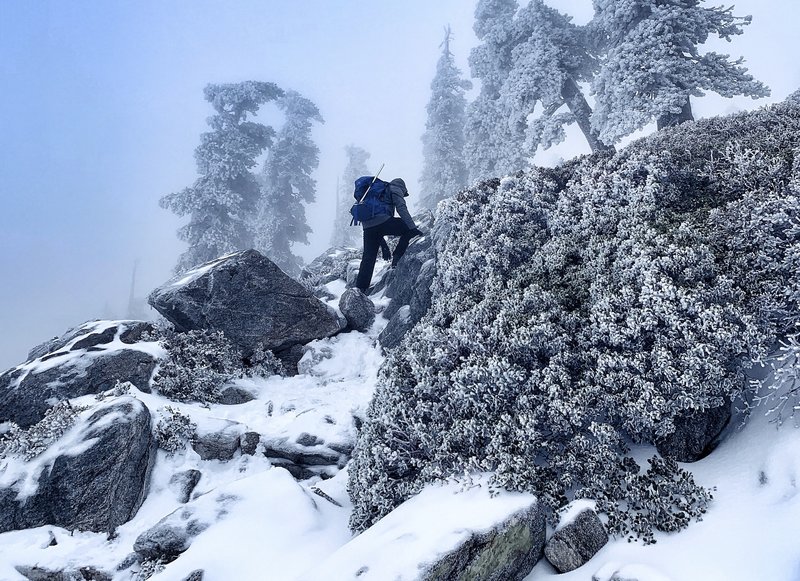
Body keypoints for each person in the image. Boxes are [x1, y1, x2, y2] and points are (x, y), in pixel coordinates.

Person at [355, 178, 423, 292]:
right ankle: (396, 257)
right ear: (403, 188)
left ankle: (360, 289)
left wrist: (384, 246)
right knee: (407, 229)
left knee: (368, 257)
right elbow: (401, 208)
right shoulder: (396, 188)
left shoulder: (378, 191)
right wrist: (413, 228)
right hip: (383, 222)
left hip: (368, 227)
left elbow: (376, 228)